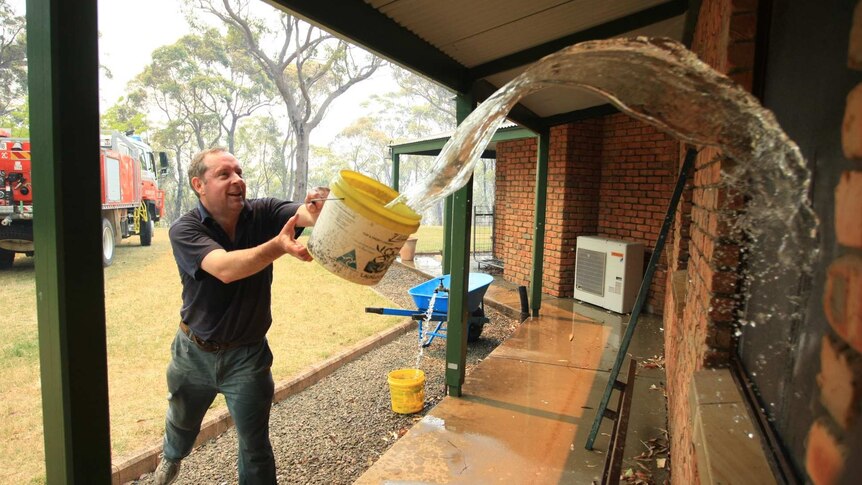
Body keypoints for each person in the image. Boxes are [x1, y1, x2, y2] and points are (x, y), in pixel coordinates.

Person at [154, 147, 329, 485]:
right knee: (181, 424)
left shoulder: (263, 212)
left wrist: (320, 207)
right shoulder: (184, 229)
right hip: (193, 353)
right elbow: (224, 268)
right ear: (198, 185)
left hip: (247, 357)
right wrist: (278, 246)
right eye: (224, 174)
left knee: (255, 447)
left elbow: (306, 216)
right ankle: (171, 459)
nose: (237, 180)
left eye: (239, 172)